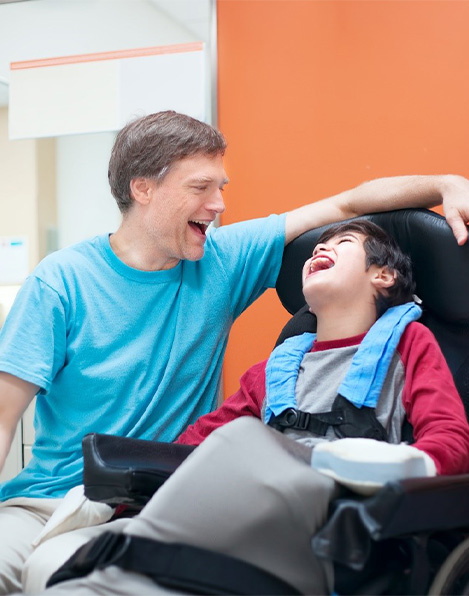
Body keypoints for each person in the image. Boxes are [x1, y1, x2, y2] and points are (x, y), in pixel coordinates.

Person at [0, 111, 469, 593]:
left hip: (177, 501)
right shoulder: (60, 282)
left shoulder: (224, 260)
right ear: (143, 189)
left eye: (220, 186)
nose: (220, 204)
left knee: (59, 573)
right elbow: (4, 417)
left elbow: (349, 201)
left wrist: (447, 183)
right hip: (55, 498)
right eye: (202, 187)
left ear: (384, 276)